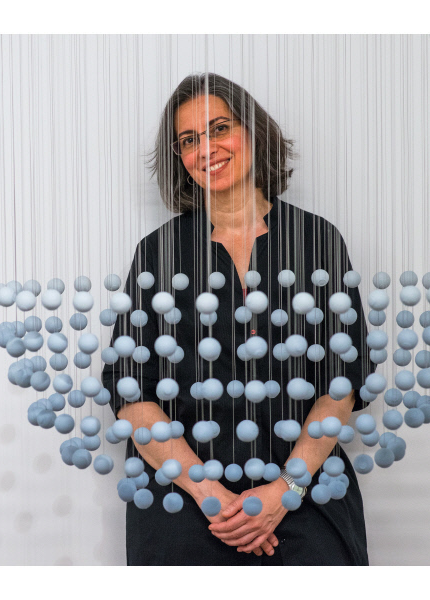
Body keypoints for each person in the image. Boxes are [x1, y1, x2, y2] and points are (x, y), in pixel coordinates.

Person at [102, 73, 375, 566]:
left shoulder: (317, 240)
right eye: (189, 140)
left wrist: (284, 490)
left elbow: (343, 381)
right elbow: (131, 391)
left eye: (220, 128)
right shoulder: (159, 253)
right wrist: (212, 496)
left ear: (253, 131)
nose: (206, 148)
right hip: (183, 502)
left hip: (305, 494)